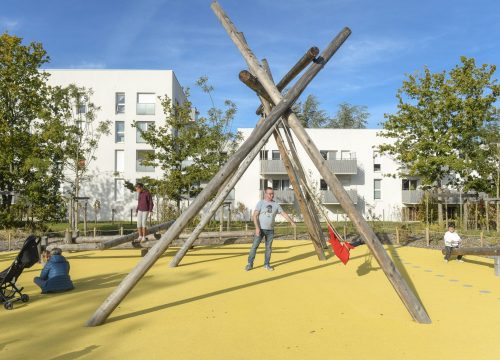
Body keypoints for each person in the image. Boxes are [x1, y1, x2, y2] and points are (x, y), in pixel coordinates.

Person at [245, 187, 296, 271]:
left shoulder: (276, 205)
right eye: (270, 194)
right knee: (254, 247)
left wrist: (291, 221)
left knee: (268, 248)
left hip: (270, 230)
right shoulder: (261, 203)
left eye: (272, 194)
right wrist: (257, 228)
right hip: (260, 229)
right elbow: (255, 215)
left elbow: (283, 213)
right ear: (265, 194)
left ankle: (266, 264)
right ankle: (250, 264)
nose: (271, 195)